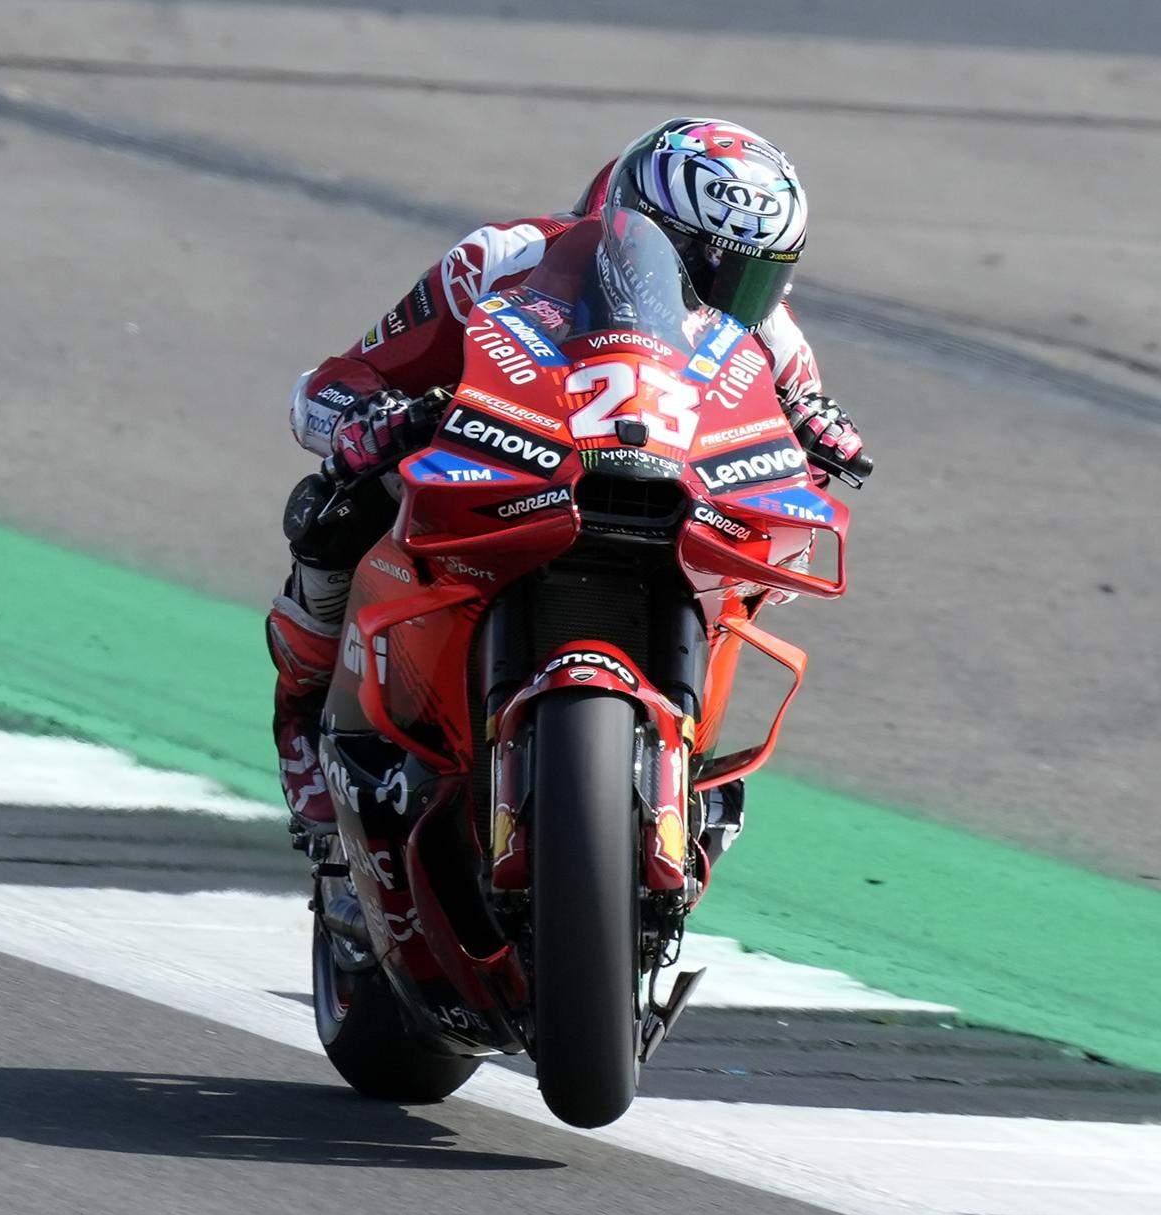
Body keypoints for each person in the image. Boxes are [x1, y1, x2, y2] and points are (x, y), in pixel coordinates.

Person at [267, 117, 866, 833]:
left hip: (669, 494)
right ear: (635, 222)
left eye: (754, 276)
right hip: (498, 467)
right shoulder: (500, 259)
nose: (723, 294)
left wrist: (821, 436)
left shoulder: (769, 332)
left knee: (749, 579)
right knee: (340, 502)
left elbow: (796, 437)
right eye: (701, 267)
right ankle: (301, 714)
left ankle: (686, 763)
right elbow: (330, 386)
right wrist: (369, 420)